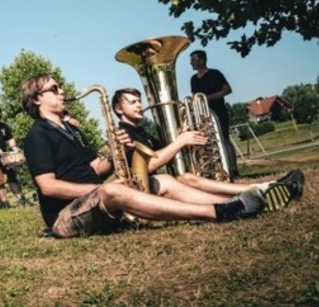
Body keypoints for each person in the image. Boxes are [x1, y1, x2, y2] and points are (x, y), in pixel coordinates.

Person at [21, 74, 272, 239]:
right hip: (64, 218)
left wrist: (115, 153)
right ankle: (216, 212)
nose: (62, 90)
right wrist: (97, 191)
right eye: (54, 88)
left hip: (93, 202)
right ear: (37, 98)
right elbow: (48, 186)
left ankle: (240, 199)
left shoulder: (71, 130)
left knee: (163, 181)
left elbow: (94, 168)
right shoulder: (37, 135)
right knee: (110, 191)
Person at [111, 87, 304, 210]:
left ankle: (266, 187)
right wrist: (180, 141)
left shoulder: (142, 131)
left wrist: (184, 135)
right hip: (140, 192)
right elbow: (150, 164)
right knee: (176, 180)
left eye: (139, 101)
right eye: (133, 102)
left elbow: (166, 154)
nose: (140, 105)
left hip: (154, 184)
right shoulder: (123, 134)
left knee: (187, 177)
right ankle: (252, 200)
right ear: (119, 109)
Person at [189, 50, 238, 177]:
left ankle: (233, 169)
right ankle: (215, 171)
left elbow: (227, 90)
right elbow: (195, 97)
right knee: (208, 143)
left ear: (202, 60)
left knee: (224, 139)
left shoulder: (215, 73)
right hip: (204, 115)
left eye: (193, 60)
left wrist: (209, 98)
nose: (191, 63)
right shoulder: (193, 79)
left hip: (219, 110)